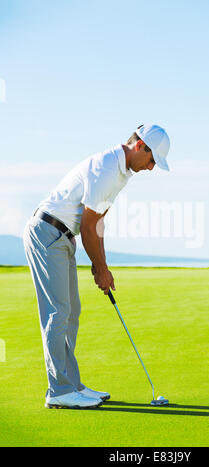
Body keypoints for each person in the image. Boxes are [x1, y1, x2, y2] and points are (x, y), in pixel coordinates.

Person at [23, 124, 170, 409]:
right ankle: (59, 390)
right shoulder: (105, 168)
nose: (151, 168)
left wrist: (101, 266)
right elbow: (89, 226)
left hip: (63, 237)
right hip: (47, 233)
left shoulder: (121, 172)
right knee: (58, 312)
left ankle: (72, 384)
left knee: (71, 312)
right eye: (152, 160)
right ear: (140, 146)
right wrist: (100, 268)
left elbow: (98, 223)